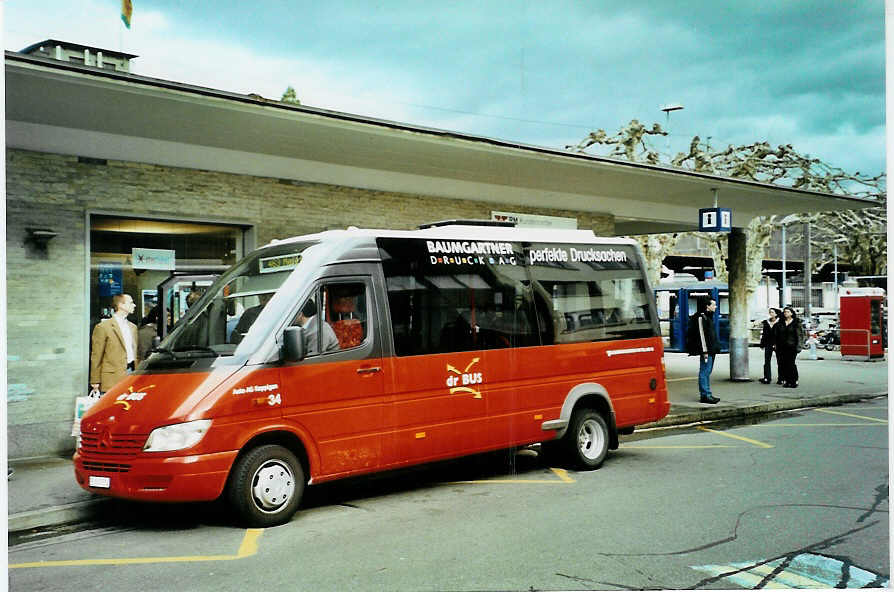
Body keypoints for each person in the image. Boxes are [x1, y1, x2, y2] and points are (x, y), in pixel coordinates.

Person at [90, 293, 138, 393]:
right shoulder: (103, 327)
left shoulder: (133, 327)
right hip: (111, 377)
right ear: (120, 305)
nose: (134, 305)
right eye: (131, 303)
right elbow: (96, 355)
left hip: (131, 373)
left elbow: (135, 351)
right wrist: (95, 380)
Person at [688, 297, 720, 404]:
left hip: (711, 349)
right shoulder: (701, 317)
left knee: (707, 371)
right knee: (704, 372)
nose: (715, 306)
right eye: (713, 305)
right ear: (707, 306)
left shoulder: (708, 317)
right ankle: (705, 395)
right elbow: (702, 335)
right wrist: (705, 351)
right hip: (707, 350)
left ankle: (707, 393)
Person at [776, 306, 803, 388]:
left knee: (791, 363)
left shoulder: (796, 322)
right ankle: (787, 381)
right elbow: (777, 334)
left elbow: (799, 335)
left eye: (788, 312)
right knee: (783, 364)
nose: (786, 313)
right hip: (782, 346)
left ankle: (794, 380)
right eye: (785, 312)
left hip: (792, 346)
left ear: (791, 313)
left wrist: (799, 346)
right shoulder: (781, 322)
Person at [758, 308, 782, 384]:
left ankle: (781, 378)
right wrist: (762, 344)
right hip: (768, 343)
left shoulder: (780, 322)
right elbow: (764, 334)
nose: (770, 314)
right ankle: (767, 378)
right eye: (770, 312)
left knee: (780, 361)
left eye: (772, 312)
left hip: (778, 344)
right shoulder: (766, 322)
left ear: (776, 313)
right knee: (767, 361)